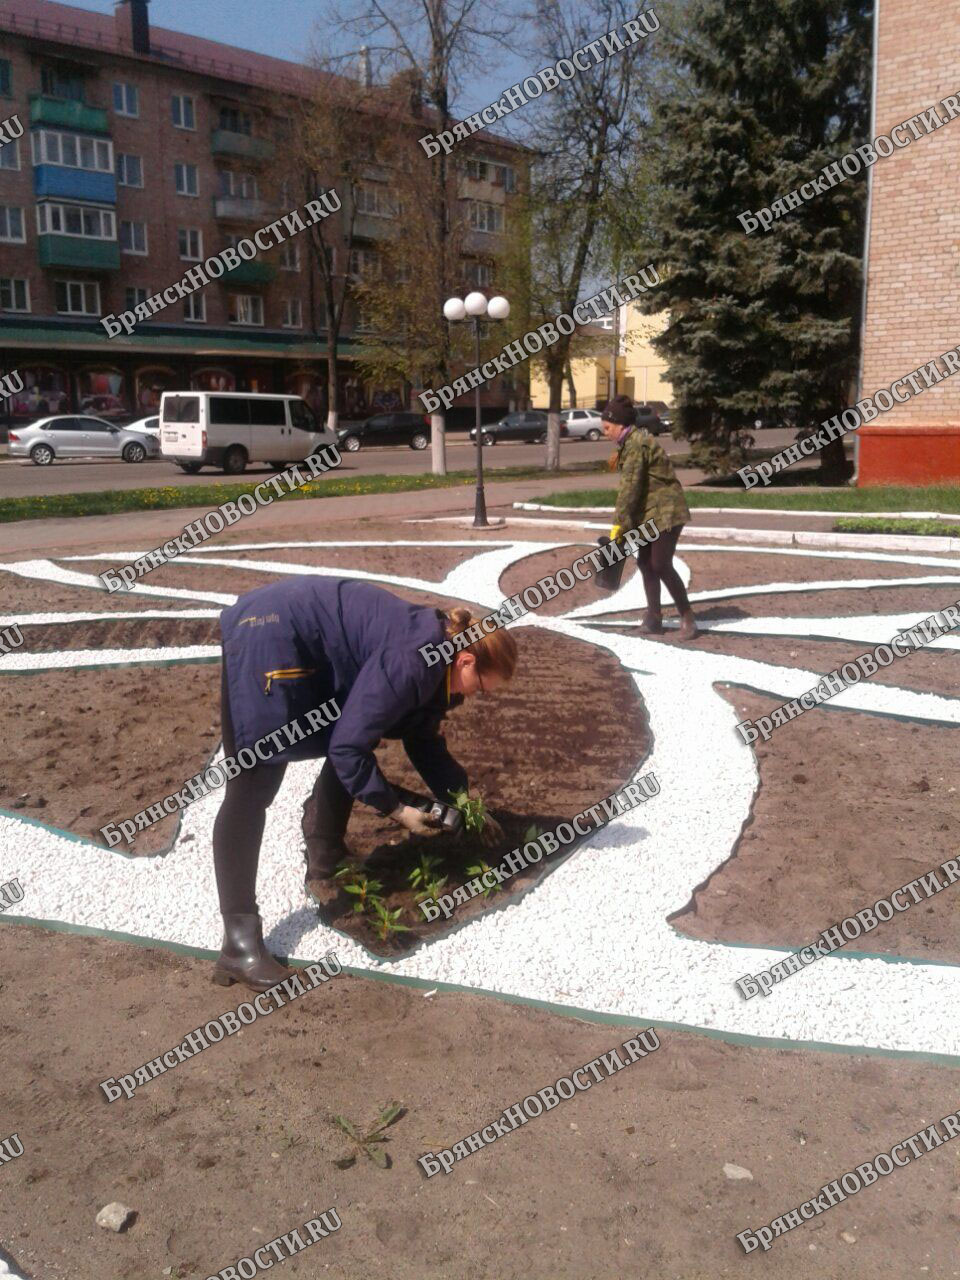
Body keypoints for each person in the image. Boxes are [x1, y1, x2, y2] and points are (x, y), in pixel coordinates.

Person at [211, 576, 517, 991]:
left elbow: (421, 736)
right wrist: (397, 809)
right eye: (481, 687)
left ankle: (327, 856)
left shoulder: (437, 656)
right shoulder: (415, 659)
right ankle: (239, 946)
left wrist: (461, 800)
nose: (476, 695)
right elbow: (347, 750)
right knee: (252, 785)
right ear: (465, 661)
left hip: (301, 630)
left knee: (354, 728)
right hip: (271, 634)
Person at [601, 393, 698, 641]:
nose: (605, 432)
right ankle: (654, 619)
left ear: (620, 425)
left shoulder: (636, 445)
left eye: (607, 427)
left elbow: (630, 490)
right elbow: (635, 491)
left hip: (666, 511)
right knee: (645, 563)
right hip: (649, 514)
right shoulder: (629, 444)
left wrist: (618, 527)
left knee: (660, 564)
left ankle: (688, 618)